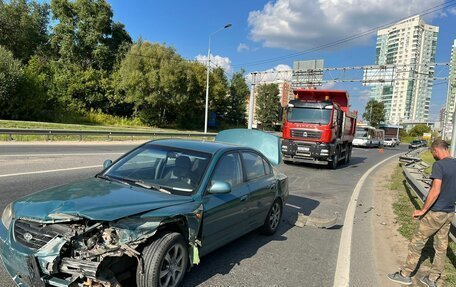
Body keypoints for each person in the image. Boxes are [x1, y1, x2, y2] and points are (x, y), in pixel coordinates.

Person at [388, 139, 456, 287]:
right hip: (449, 212)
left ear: (436, 150)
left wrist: (423, 210)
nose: (433, 155)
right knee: (441, 247)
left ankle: (405, 274)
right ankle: (432, 279)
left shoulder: (439, 165)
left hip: (436, 212)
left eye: (433, 153)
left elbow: (435, 190)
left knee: (417, 243)